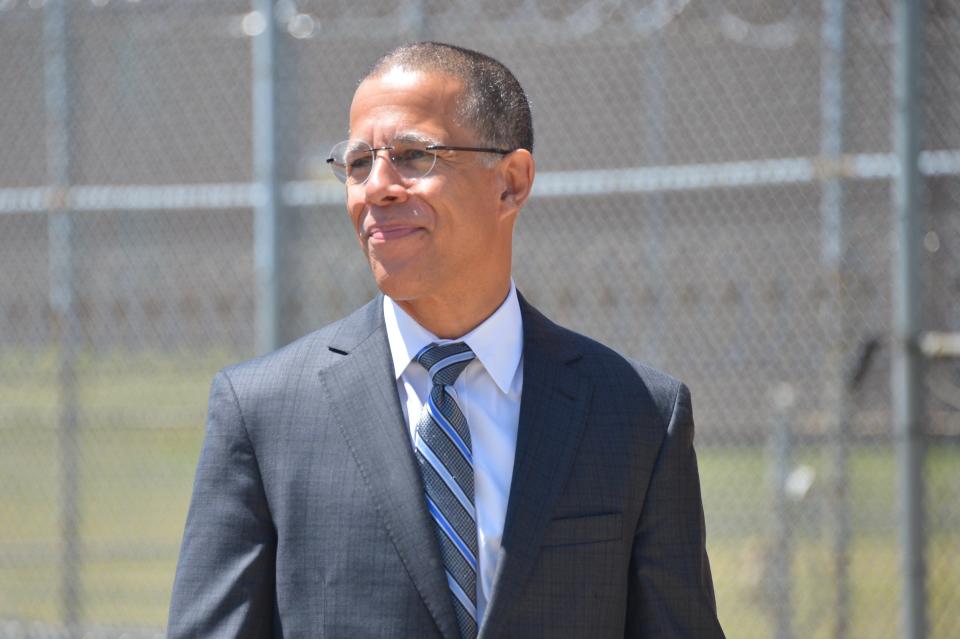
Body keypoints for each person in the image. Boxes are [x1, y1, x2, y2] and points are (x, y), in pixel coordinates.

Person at [167, 41, 724, 639]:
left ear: (511, 182)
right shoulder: (264, 413)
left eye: (412, 155)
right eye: (358, 164)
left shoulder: (637, 415)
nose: (376, 188)